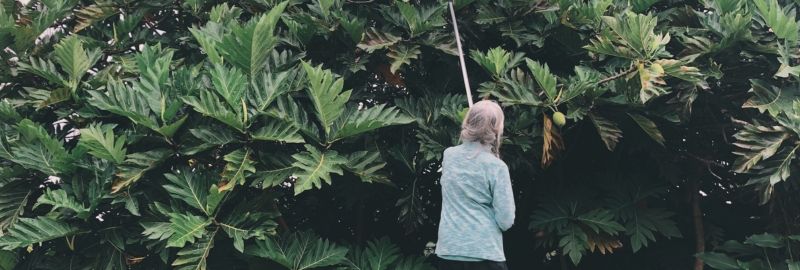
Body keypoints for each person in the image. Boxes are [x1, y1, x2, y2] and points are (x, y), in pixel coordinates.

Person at [436, 100, 516, 270]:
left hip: (449, 249)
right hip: (484, 252)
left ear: (468, 123)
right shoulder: (497, 167)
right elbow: (506, 221)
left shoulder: (449, 156)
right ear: (497, 129)